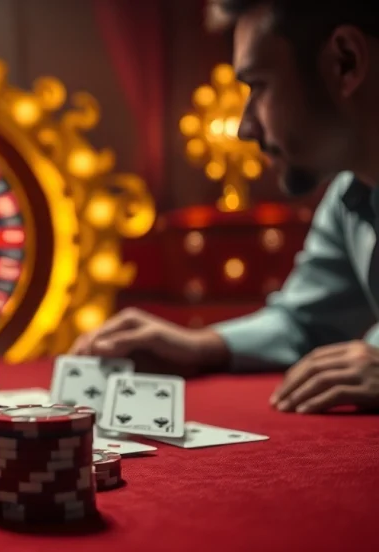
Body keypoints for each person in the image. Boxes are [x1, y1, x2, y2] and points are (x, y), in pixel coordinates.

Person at [72, 0, 379, 414]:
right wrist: (200, 346)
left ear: (345, 62)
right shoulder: (350, 194)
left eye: (258, 84)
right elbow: (304, 323)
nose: (244, 127)